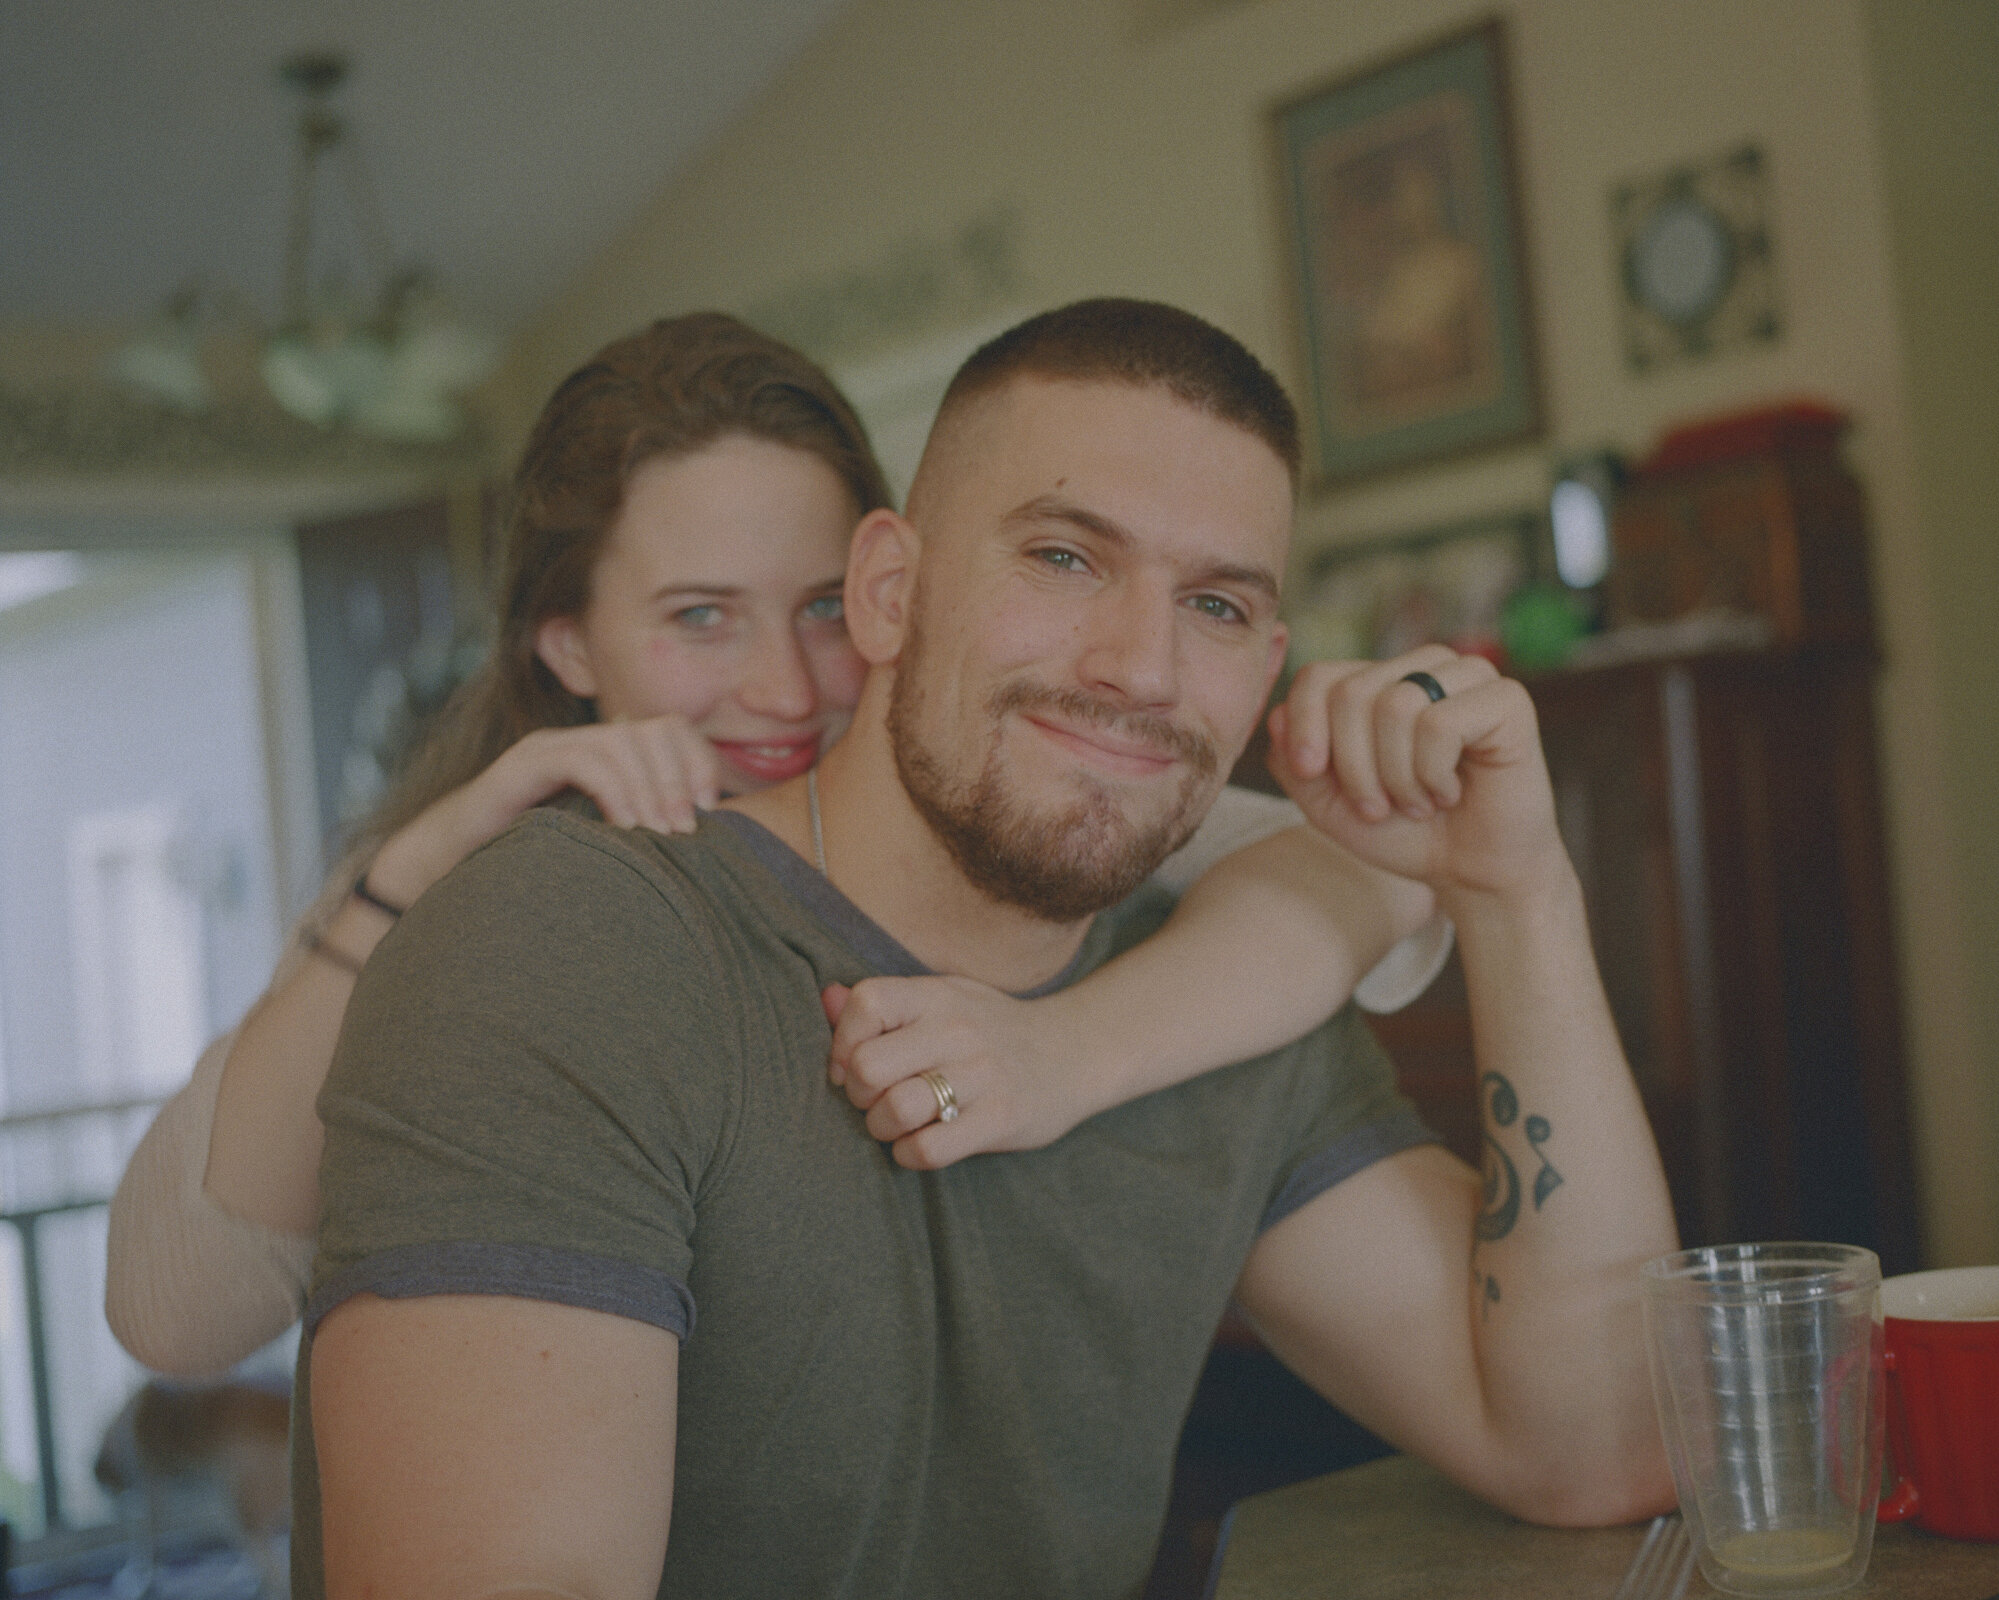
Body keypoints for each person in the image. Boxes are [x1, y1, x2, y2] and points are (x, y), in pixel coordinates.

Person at [298, 299, 1676, 1600]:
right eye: (1065, 557)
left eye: (1217, 605)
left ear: (1268, 668)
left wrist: (1521, 895)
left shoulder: (1214, 1003)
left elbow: (1596, 1441)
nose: (1140, 667)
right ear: (889, 593)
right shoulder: (574, 947)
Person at [106, 311, 1443, 1378]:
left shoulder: (1016, 805)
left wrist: (1067, 1055)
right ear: (569, 643)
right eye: (699, 619)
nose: (787, 691)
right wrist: (436, 852)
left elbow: (1378, 872)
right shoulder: (488, 909)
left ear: (891, 592)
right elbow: (173, 1318)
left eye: (818, 609)